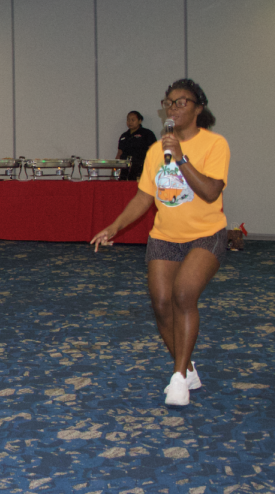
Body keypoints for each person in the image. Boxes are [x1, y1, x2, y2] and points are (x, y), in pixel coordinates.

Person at [91, 79, 229, 408]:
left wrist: (181, 158)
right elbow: (143, 198)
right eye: (169, 102)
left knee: (183, 293)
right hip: (165, 237)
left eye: (182, 102)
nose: (173, 108)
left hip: (206, 234)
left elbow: (211, 192)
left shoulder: (214, 144)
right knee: (161, 303)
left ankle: (179, 376)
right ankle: (189, 368)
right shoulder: (156, 151)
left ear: (199, 108)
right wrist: (115, 226)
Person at [116, 110, 157, 181]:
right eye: (128, 120)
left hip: (141, 168)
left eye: (133, 120)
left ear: (139, 121)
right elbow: (119, 153)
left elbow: (153, 151)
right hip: (125, 168)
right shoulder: (124, 136)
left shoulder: (147, 133)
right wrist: (116, 167)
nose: (130, 122)